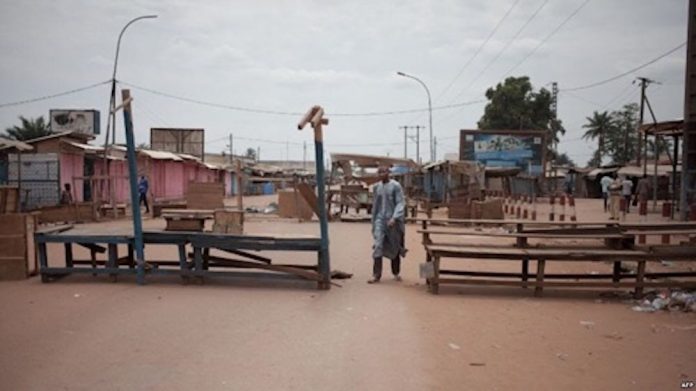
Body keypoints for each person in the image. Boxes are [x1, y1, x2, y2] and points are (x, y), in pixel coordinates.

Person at [368, 165, 406, 284]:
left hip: (392, 221)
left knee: (394, 246)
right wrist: (373, 222)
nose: (381, 174)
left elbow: (400, 203)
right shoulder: (376, 187)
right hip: (380, 219)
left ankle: (396, 272)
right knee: (378, 245)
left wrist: (395, 217)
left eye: (384, 172)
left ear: (388, 173)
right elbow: (375, 206)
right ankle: (376, 275)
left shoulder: (395, 186)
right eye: (379, 172)